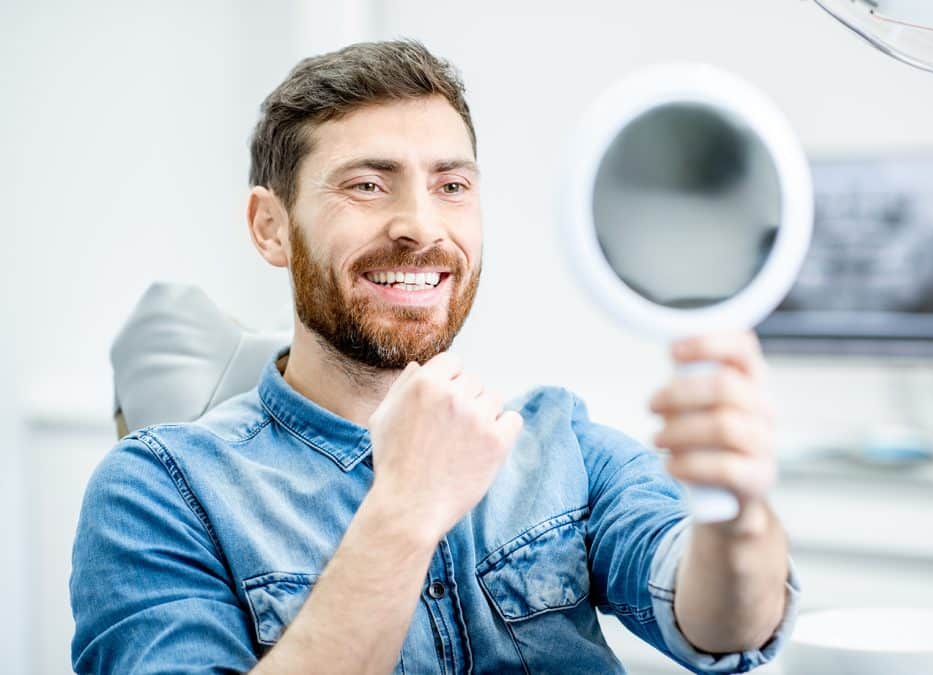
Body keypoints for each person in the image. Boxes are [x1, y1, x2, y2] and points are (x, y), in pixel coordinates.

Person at [70, 40, 798, 674]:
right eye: (367, 184)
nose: (421, 226)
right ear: (270, 227)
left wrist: (735, 516)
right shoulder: (159, 489)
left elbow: (723, 626)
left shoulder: (559, 440)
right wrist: (404, 510)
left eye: (452, 186)